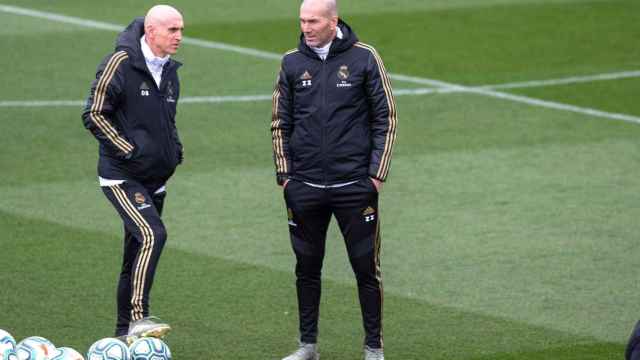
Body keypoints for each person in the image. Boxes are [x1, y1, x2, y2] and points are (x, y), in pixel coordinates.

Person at [271, 0, 397, 359]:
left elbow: (386, 117)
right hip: (305, 188)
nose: (306, 28)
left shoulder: (364, 58)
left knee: (366, 270)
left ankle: (374, 349)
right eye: (302, 21)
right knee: (306, 269)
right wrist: (285, 177)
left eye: (313, 21)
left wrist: (375, 175)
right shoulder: (291, 62)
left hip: (354, 188)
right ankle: (307, 346)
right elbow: (280, 122)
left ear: (333, 21)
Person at [81, 5, 184, 342]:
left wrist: (174, 149)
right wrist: (127, 149)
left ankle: (121, 336)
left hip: (156, 179)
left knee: (134, 257)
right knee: (153, 234)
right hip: (122, 175)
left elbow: (167, 120)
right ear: (151, 31)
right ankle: (139, 319)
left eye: (181, 30)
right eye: (172, 30)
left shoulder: (170, 70)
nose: (179, 37)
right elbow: (94, 113)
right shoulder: (120, 64)